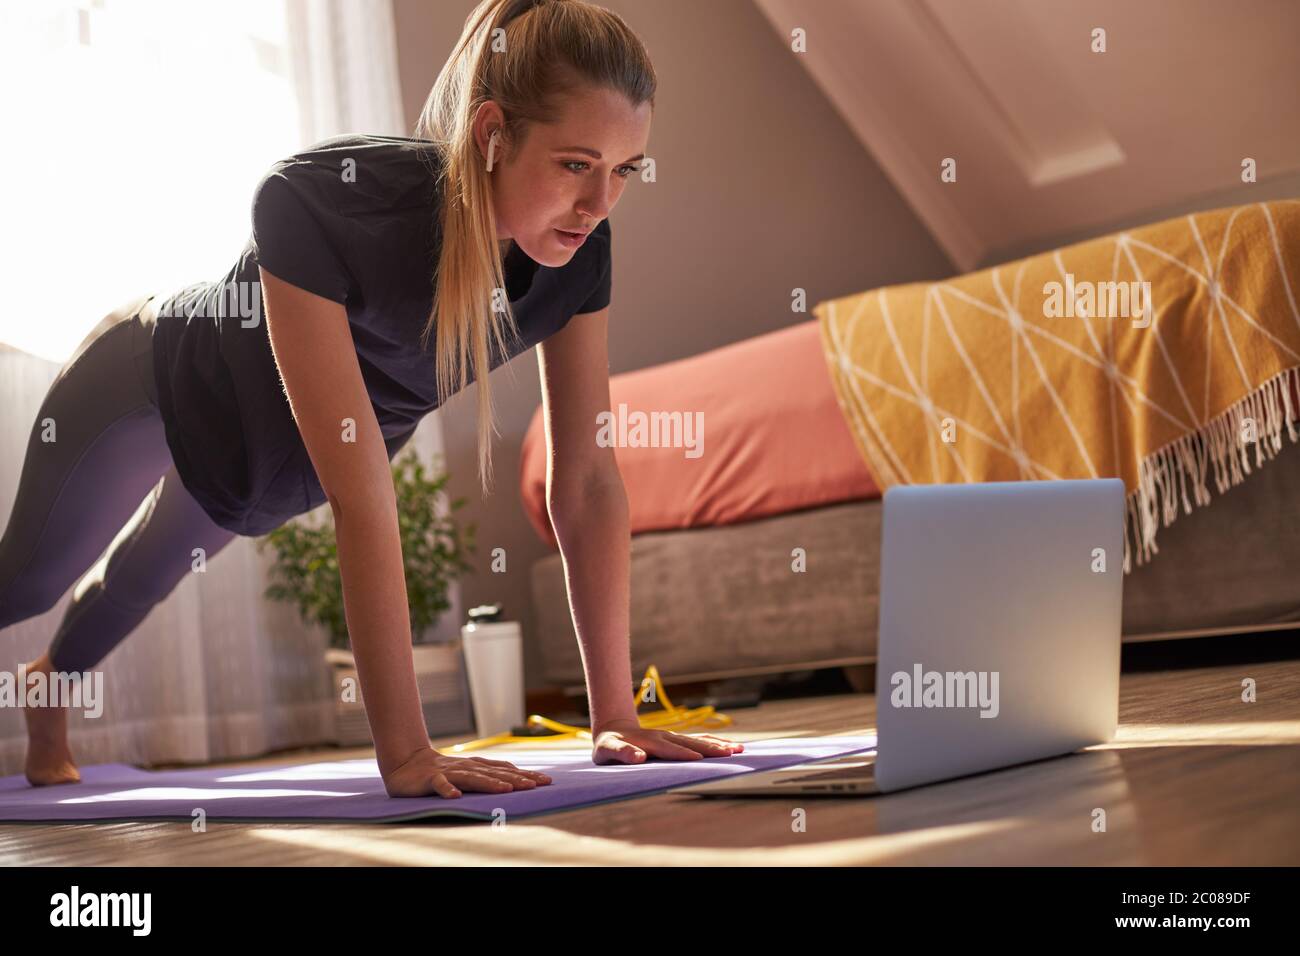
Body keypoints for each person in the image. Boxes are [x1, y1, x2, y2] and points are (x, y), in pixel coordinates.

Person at [0, 0, 742, 798]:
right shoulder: (325, 203)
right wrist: (408, 752)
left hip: (260, 464)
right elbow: (361, 493)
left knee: (143, 577)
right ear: (492, 133)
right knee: (29, 584)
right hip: (149, 380)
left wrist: (614, 716)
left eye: (624, 170)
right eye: (575, 165)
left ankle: (46, 690)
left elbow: (589, 478)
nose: (600, 205)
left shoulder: (579, 255)